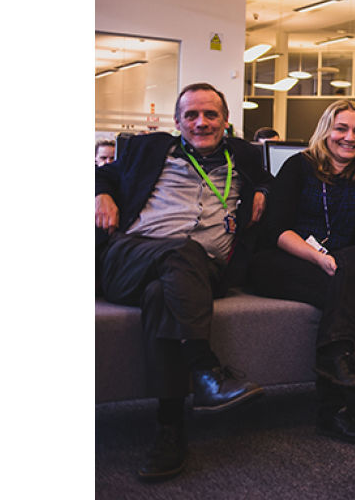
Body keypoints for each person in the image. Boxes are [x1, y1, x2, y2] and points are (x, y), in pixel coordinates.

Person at [95, 83, 271, 481]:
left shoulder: (244, 157)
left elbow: (271, 180)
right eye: (191, 115)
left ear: (226, 121)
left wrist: (261, 190)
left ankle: (169, 429)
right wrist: (101, 194)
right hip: (131, 256)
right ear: (177, 122)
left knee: (165, 292)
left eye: (210, 114)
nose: (201, 122)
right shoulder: (148, 149)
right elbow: (101, 174)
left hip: (200, 272)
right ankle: (205, 369)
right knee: (182, 250)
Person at [245, 100, 355, 444]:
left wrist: (338, 262)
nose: (349, 137)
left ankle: (333, 398)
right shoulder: (299, 166)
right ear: (326, 130)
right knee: (344, 292)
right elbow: (276, 230)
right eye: (341, 128)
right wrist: (317, 257)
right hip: (283, 260)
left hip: (338, 263)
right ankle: (336, 388)